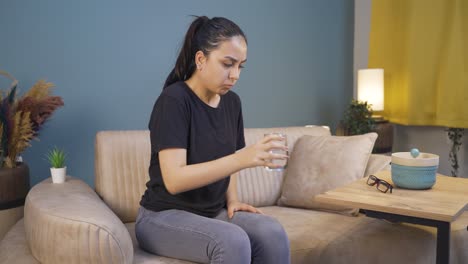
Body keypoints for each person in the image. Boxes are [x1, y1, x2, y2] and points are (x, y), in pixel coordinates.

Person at [136, 16, 290, 264]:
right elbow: (174, 180)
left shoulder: (232, 103)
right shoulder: (174, 101)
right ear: (200, 59)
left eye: (241, 66)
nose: (235, 75)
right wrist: (240, 159)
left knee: (271, 232)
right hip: (161, 216)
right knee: (232, 240)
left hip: (210, 212)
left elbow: (231, 162)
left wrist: (233, 200)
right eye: (227, 64)